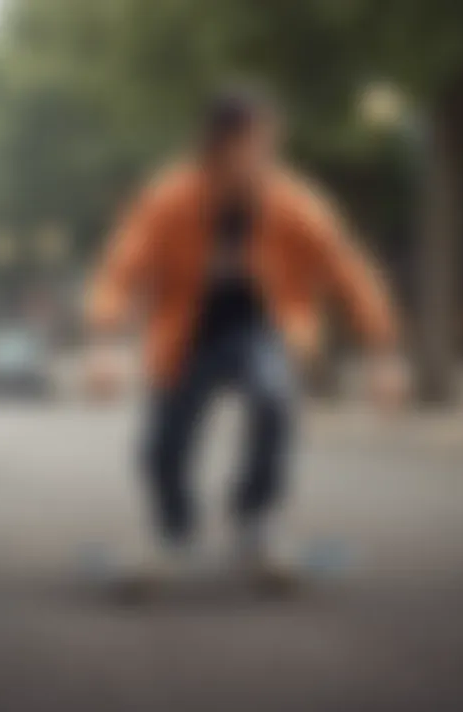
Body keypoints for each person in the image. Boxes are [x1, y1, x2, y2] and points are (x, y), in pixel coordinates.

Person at [86, 88, 406, 591]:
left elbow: (348, 269)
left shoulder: (294, 202)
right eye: (255, 143)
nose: (266, 155)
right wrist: (104, 344)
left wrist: (384, 352)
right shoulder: (170, 198)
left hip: (264, 329)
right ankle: (174, 530)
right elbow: (121, 269)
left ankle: (254, 524)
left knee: (274, 399)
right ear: (218, 145)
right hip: (186, 335)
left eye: (270, 143)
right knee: (163, 445)